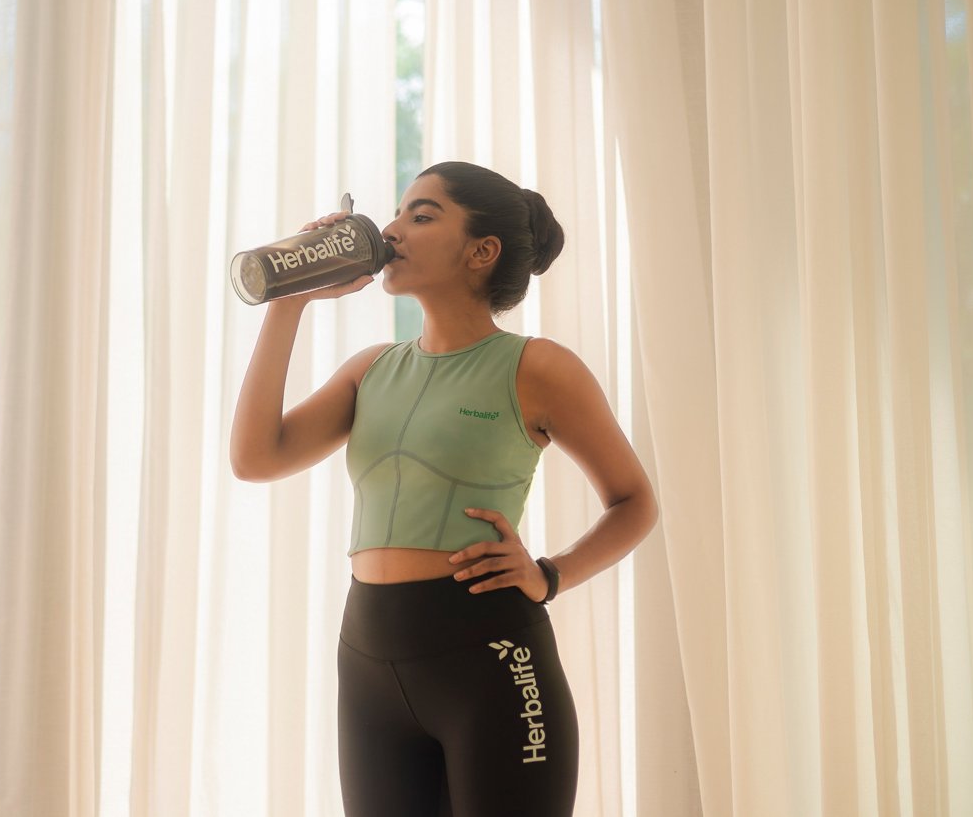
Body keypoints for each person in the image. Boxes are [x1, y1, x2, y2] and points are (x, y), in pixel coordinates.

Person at [230, 161, 658, 817]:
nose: (393, 229)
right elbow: (256, 458)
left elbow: (635, 502)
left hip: (488, 656)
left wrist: (550, 575)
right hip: (369, 659)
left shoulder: (537, 367)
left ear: (481, 251)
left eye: (421, 215)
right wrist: (290, 299)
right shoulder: (371, 369)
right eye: (397, 212)